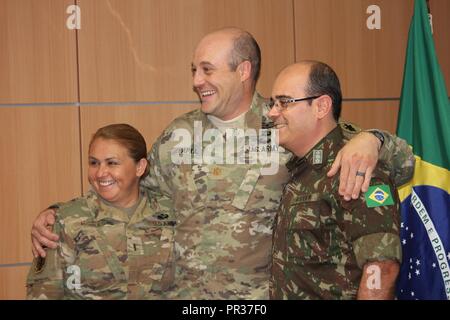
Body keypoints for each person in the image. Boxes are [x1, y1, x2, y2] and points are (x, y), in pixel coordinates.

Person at [30, 28, 414, 299]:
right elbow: (131, 193)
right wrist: (57, 216)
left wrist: (373, 139)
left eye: (207, 69)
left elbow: (393, 162)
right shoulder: (179, 134)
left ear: (243, 71)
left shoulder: (283, 124)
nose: (197, 80)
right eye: (194, 70)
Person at [269, 61, 401, 300]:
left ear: (321, 106)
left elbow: (382, 267)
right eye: (273, 103)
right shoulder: (302, 168)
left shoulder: (357, 168)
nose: (272, 112)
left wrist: (374, 139)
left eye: (284, 102)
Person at [26, 124, 176, 299]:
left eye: (112, 163)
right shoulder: (66, 221)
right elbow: (44, 293)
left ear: (140, 167)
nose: (100, 173)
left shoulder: (172, 213)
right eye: (94, 163)